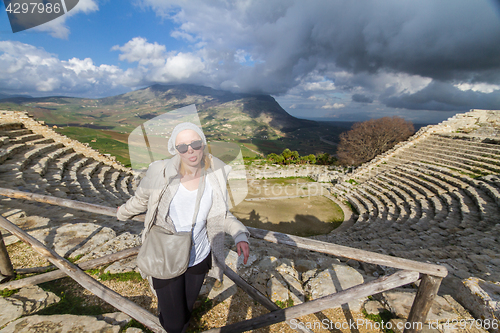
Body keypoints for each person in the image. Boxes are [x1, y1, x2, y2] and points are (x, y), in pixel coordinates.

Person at [116, 122, 250, 333]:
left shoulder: (215, 174)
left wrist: (240, 234)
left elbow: (221, 214)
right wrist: (121, 212)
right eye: (182, 146)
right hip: (165, 254)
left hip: (198, 256)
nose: (190, 150)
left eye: (195, 144)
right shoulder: (159, 171)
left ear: (203, 144)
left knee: (186, 310)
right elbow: (141, 200)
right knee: (174, 323)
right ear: (175, 149)